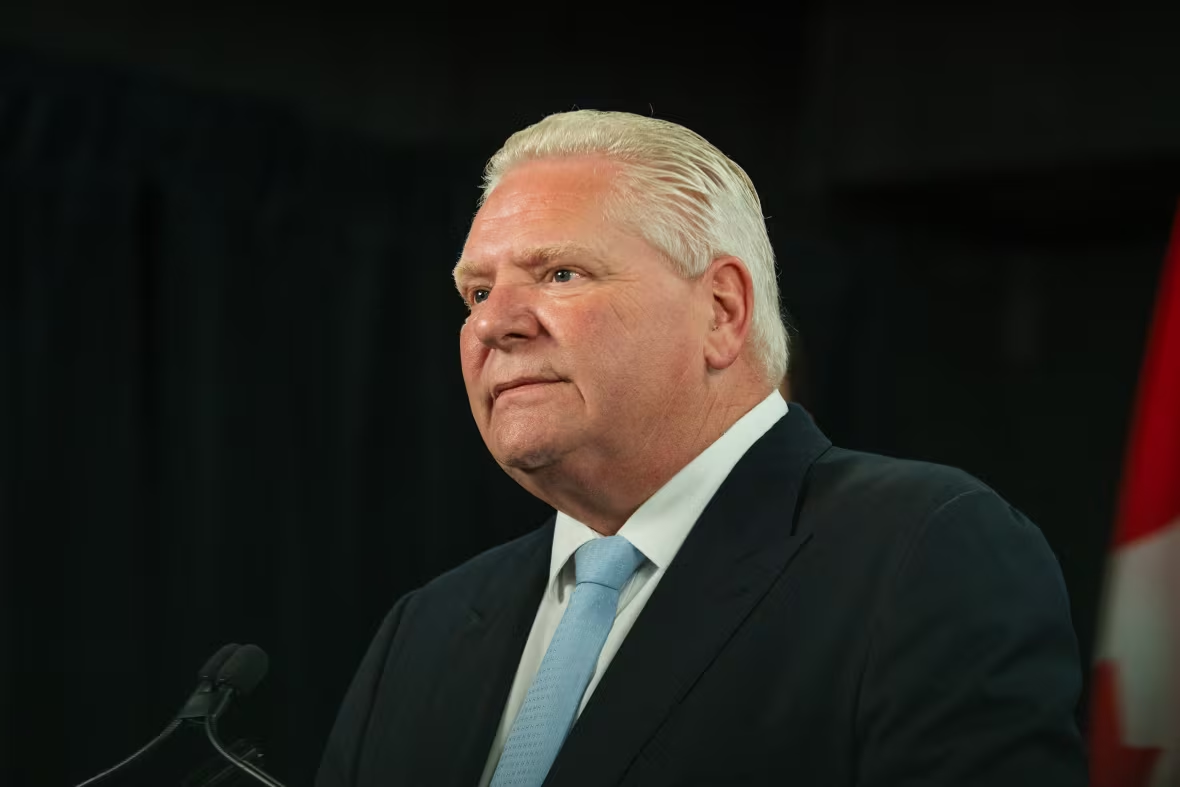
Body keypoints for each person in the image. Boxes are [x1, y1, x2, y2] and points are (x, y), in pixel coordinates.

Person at [315, 110, 1085, 787]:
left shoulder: (921, 553)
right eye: (478, 292)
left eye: (560, 272)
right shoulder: (425, 629)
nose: (492, 323)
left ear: (721, 310)